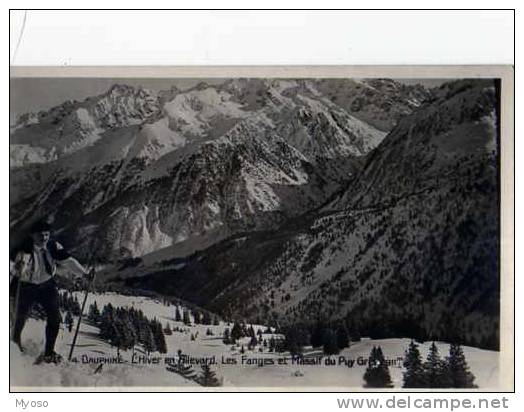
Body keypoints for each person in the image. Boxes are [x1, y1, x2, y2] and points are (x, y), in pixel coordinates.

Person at [10, 220, 94, 364]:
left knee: (54, 318)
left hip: (46, 285)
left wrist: (84, 274)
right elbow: (9, 267)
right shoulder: (22, 249)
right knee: (18, 318)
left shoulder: (53, 246)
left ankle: (49, 353)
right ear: (32, 235)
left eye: (46, 234)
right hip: (25, 287)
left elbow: (68, 261)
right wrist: (15, 268)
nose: (44, 238)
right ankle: (14, 347)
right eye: (40, 235)